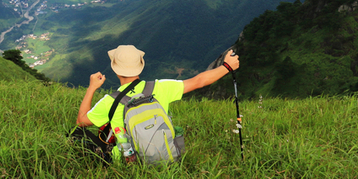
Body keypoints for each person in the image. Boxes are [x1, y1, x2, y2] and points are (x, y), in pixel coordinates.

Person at [75, 44, 240, 160]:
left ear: (115, 69)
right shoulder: (160, 88)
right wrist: (227, 66)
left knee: (77, 135)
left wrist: (92, 87)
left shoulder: (109, 101)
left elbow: (81, 121)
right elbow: (199, 81)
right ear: (141, 66)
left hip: (127, 163)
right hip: (165, 154)